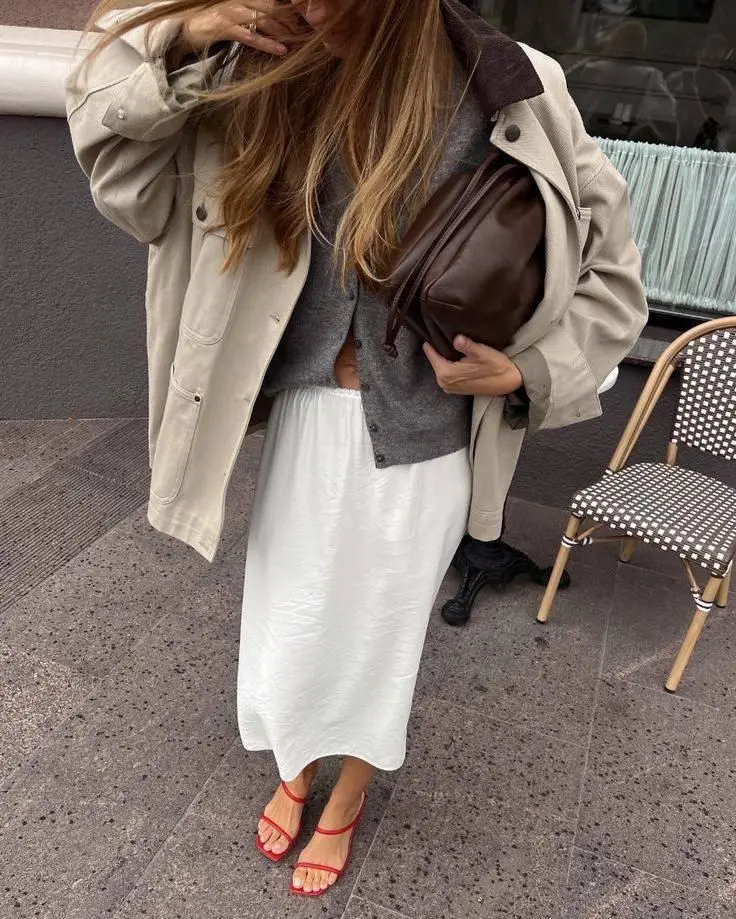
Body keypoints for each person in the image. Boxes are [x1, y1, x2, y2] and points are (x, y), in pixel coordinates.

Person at [66, 0, 647, 898]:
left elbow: (616, 271)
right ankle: (296, 766)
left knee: (382, 632)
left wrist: (529, 370)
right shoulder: (254, 68)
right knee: (290, 616)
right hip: (307, 413)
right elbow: (118, 167)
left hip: (427, 436)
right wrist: (180, 37)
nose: (309, 8)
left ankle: (345, 797)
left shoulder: (514, 87)